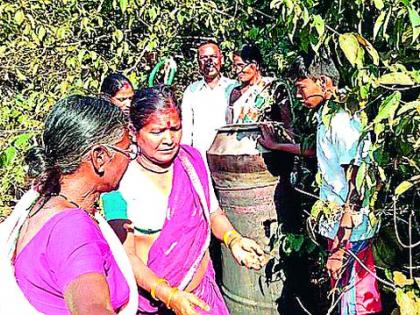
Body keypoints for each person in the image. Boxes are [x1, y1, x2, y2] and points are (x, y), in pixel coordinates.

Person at [102, 85, 266, 315]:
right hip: (156, 305)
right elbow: (125, 256)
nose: (169, 139)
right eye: (157, 132)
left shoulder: (191, 161)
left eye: (175, 128)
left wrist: (233, 239)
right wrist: (168, 295)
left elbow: (212, 212)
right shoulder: (116, 181)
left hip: (203, 298)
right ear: (134, 132)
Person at [258, 69, 382, 314]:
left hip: (349, 230)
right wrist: (277, 145)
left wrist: (340, 247)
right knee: (349, 295)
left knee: (356, 301)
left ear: (323, 82)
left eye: (301, 87)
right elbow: (318, 150)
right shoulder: (327, 114)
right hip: (340, 225)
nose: (298, 94)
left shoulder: (342, 120)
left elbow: (357, 178)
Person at [12, 95, 137, 314]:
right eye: (127, 151)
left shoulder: (41, 201)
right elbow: (91, 308)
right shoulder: (72, 228)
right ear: (99, 157)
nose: (129, 158)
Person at [181, 40, 238, 160]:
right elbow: (186, 131)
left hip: (229, 156)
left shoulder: (234, 88)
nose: (209, 62)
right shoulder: (191, 91)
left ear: (221, 59)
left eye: (213, 57)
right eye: (204, 58)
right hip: (200, 157)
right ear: (198, 62)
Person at [226, 44, 293, 133]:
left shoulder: (273, 88)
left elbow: (287, 124)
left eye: (241, 66)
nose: (237, 70)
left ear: (255, 65)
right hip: (239, 145)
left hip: (266, 144)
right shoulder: (235, 92)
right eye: (235, 66)